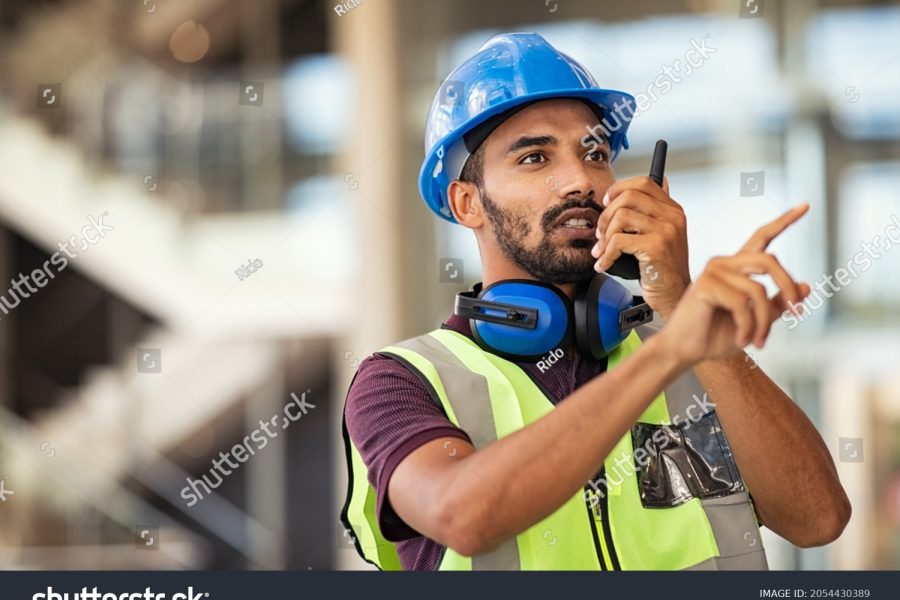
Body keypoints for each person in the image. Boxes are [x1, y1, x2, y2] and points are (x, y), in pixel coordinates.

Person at [340, 32, 850, 571]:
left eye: (596, 153)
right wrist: (673, 348)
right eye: (535, 157)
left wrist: (681, 308)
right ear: (468, 203)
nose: (580, 180)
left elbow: (817, 520)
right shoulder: (400, 381)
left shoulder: (692, 351)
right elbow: (465, 515)